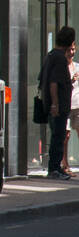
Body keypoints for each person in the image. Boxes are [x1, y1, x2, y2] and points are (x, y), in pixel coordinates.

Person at [40, 26, 76, 182]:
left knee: (58, 136)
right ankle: (54, 168)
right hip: (58, 106)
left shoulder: (51, 55)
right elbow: (54, 82)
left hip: (54, 105)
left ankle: (56, 167)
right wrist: (55, 104)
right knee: (58, 137)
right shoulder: (60, 58)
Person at [65, 46, 79, 178]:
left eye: (73, 49)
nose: (71, 52)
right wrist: (72, 80)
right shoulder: (63, 68)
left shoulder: (77, 67)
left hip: (78, 105)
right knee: (66, 135)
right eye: (69, 50)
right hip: (67, 106)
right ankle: (65, 165)